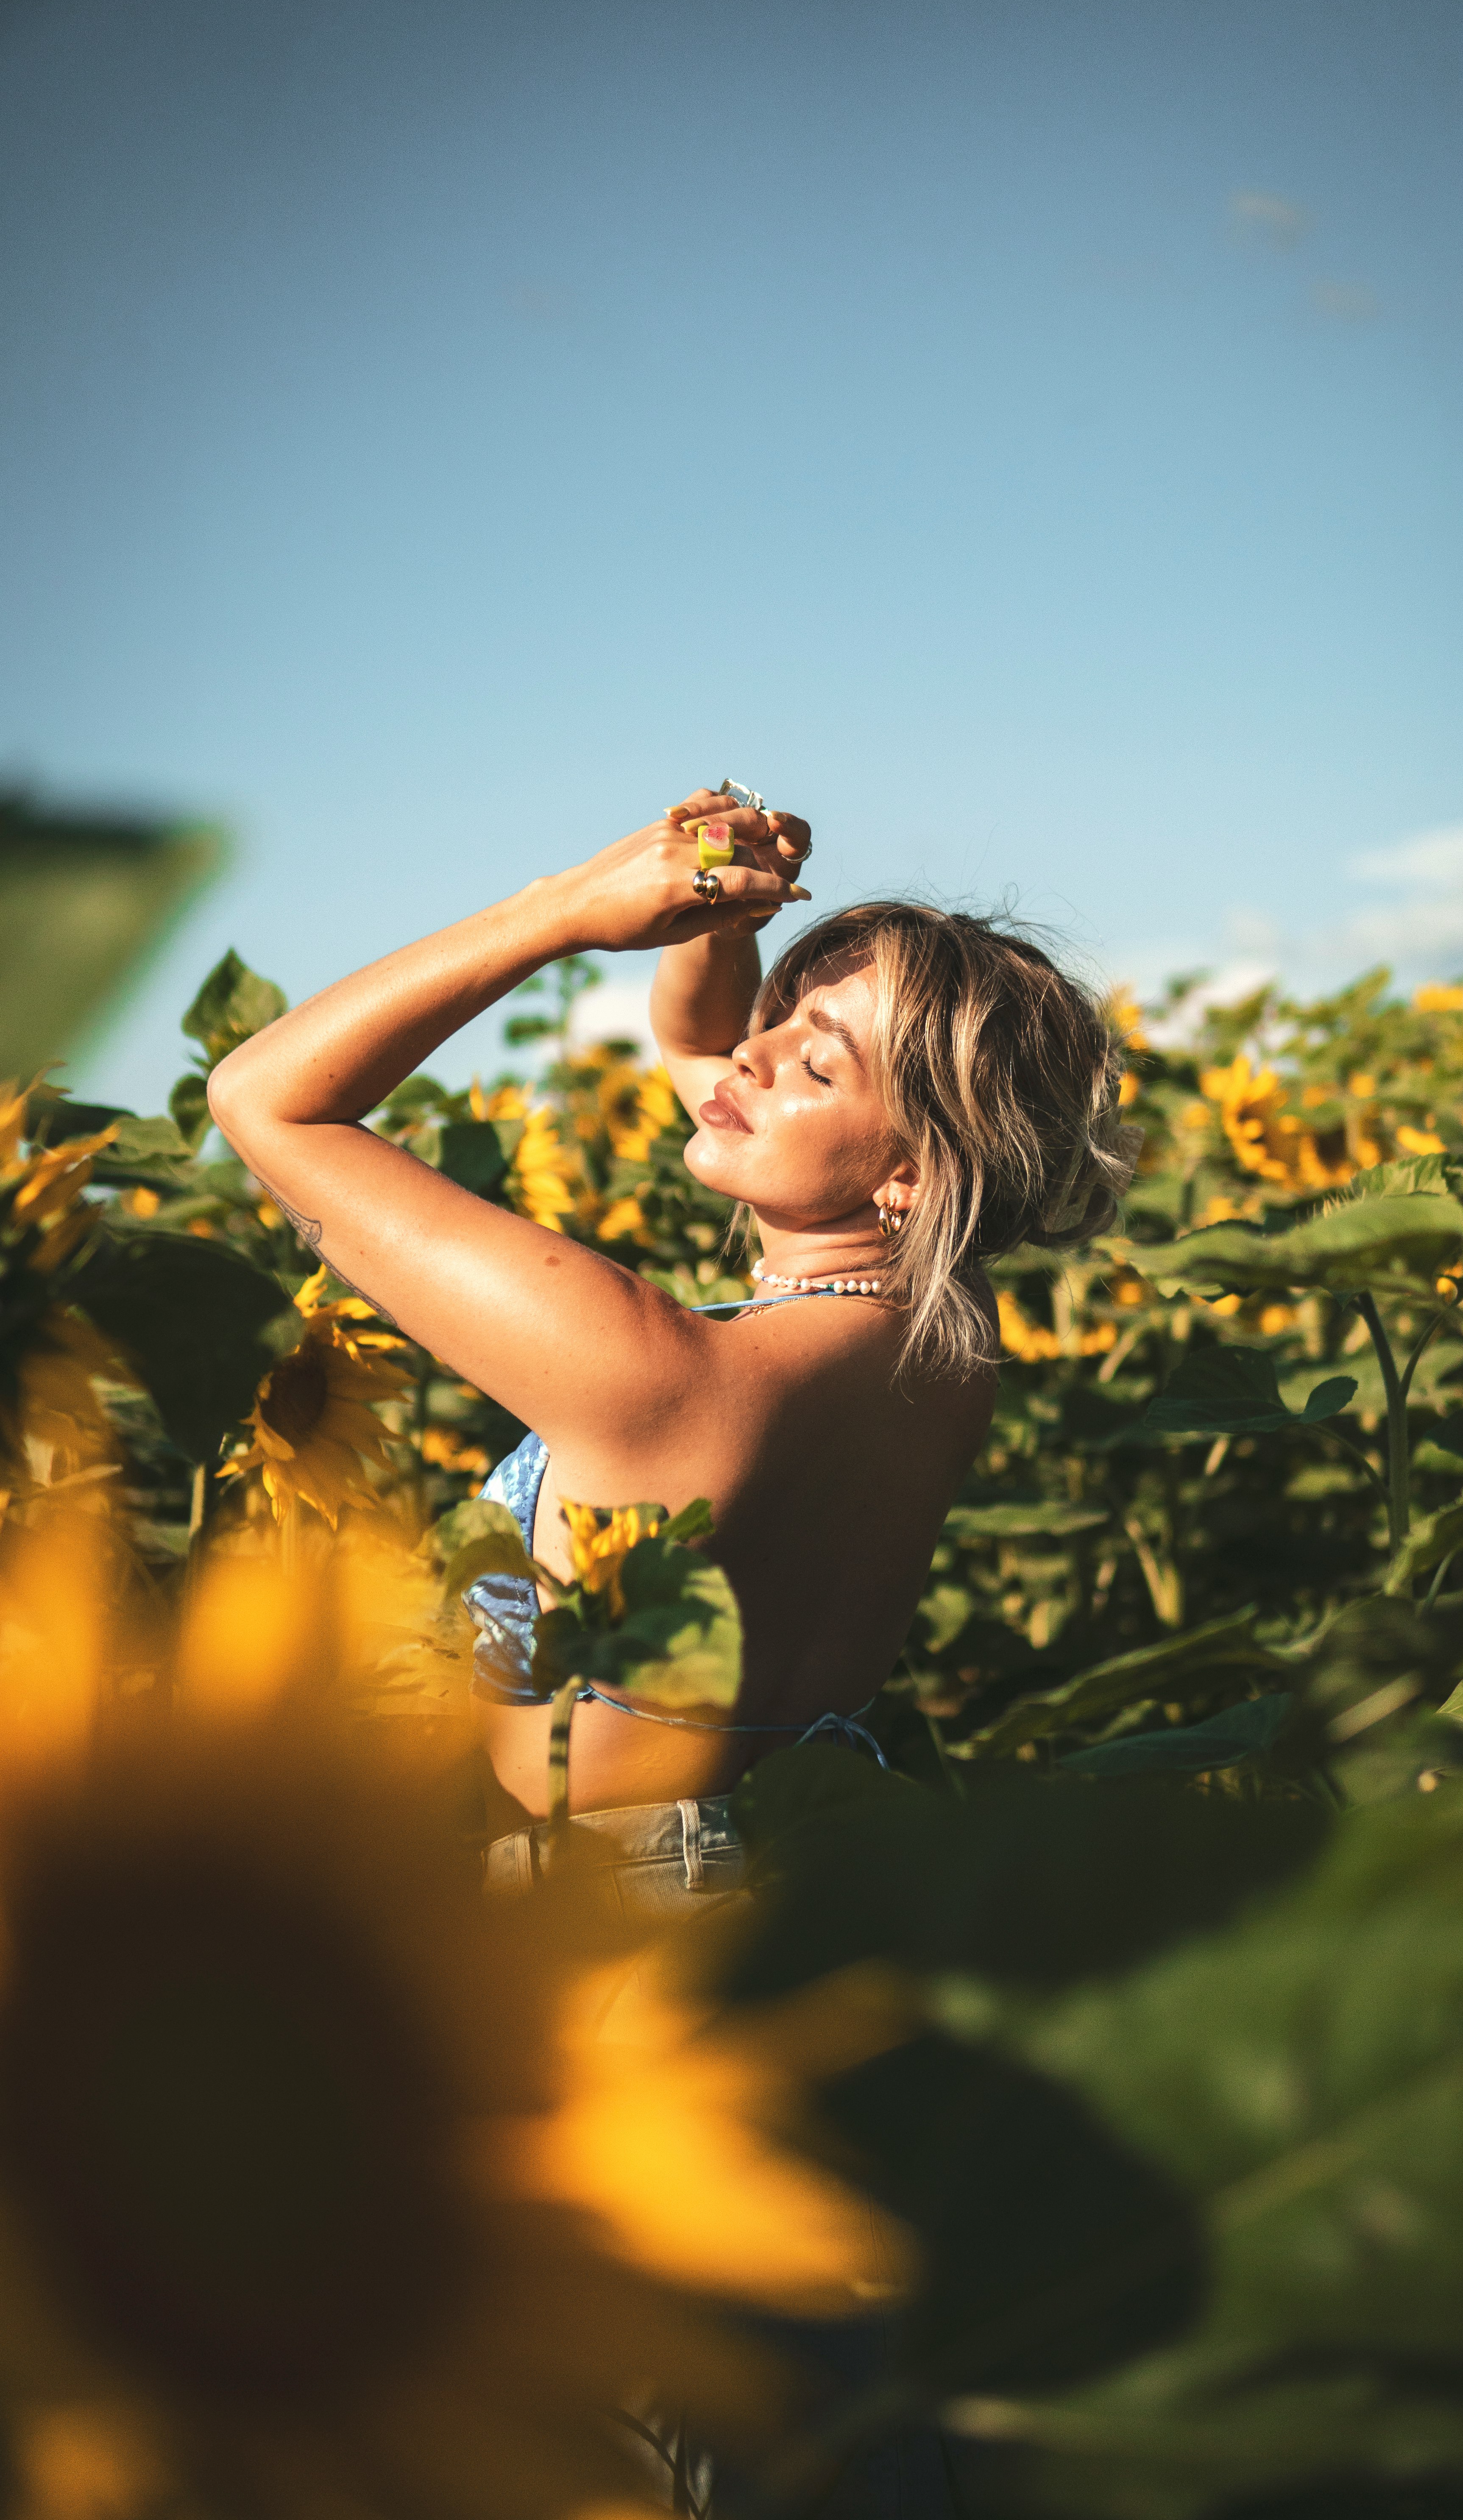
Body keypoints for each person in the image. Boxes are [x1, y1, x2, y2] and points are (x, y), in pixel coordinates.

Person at [206, 787, 1135, 1904]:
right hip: (804, 1871)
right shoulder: (945, 1335)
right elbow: (700, 1038)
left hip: (620, 1902)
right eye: (779, 1013)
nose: (753, 1056)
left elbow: (264, 1100)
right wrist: (726, 919)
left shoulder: (654, 1376)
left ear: (914, 1173)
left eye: (819, 1063)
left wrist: (558, 914)